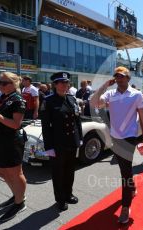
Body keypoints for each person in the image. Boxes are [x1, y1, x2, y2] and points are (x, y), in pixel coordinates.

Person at [90, 66, 143, 224]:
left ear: (128, 78)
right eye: (117, 76)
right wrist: (104, 86)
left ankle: (125, 207)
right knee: (125, 169)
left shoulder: (136, 94)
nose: (119, 79)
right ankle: (132, 187)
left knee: (125, 171)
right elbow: (94, 103)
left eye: (122, 76)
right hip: (115, 138)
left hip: (129, 137)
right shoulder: (110, 94)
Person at [0, 72, 27, 221]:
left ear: (13, 84)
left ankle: (20, 202)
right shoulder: (1, 97)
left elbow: (15, 124)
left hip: (12, 141)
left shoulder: (18, 99)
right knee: (2, 171)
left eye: (3, 83)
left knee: (15, 173)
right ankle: (16, 194)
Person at [40, 72, 83, 211]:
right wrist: (49, 147)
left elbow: (77, 121)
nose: (65, 85)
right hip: (57, 144)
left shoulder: (72, 99)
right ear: (55, 85)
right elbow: (45, 127)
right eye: (61, 82)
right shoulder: (48, 101)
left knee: (70, 170)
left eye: (67, 82)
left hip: (72, 141)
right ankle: (60, 199)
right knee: (58, 172)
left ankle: (68, 194)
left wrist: (80, 138)